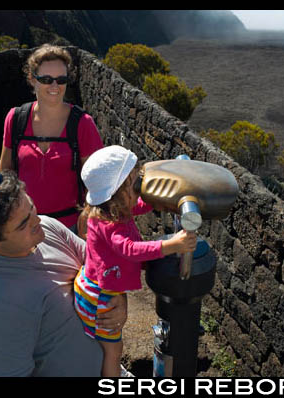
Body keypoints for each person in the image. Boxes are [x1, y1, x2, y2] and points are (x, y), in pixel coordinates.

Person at [0, 165, 128, 376]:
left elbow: (101, 266)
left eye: (31, 208)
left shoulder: (46, 227)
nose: (38, 221)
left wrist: (119, 298)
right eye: (23, 224)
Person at [75, 146, 199, 377]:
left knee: (103, 345)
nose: (139, 189)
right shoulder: (110, 223)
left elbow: (137, 205)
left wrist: (159, 201)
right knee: (113, 349)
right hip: (101, 297)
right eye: (135, 185)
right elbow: (130, 249)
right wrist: (172, 245)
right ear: (118, 192)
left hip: (91, 285)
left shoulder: (108, 208)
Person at [0, 44, 104, 237]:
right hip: (24, 229)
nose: (55, 86)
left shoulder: (82, 124)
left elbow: (98, 180)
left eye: (61, 80)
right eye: (46, 79)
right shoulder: (15, 119)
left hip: (70, 230)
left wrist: (88, 216)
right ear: (32, 79)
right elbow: (5, 173)